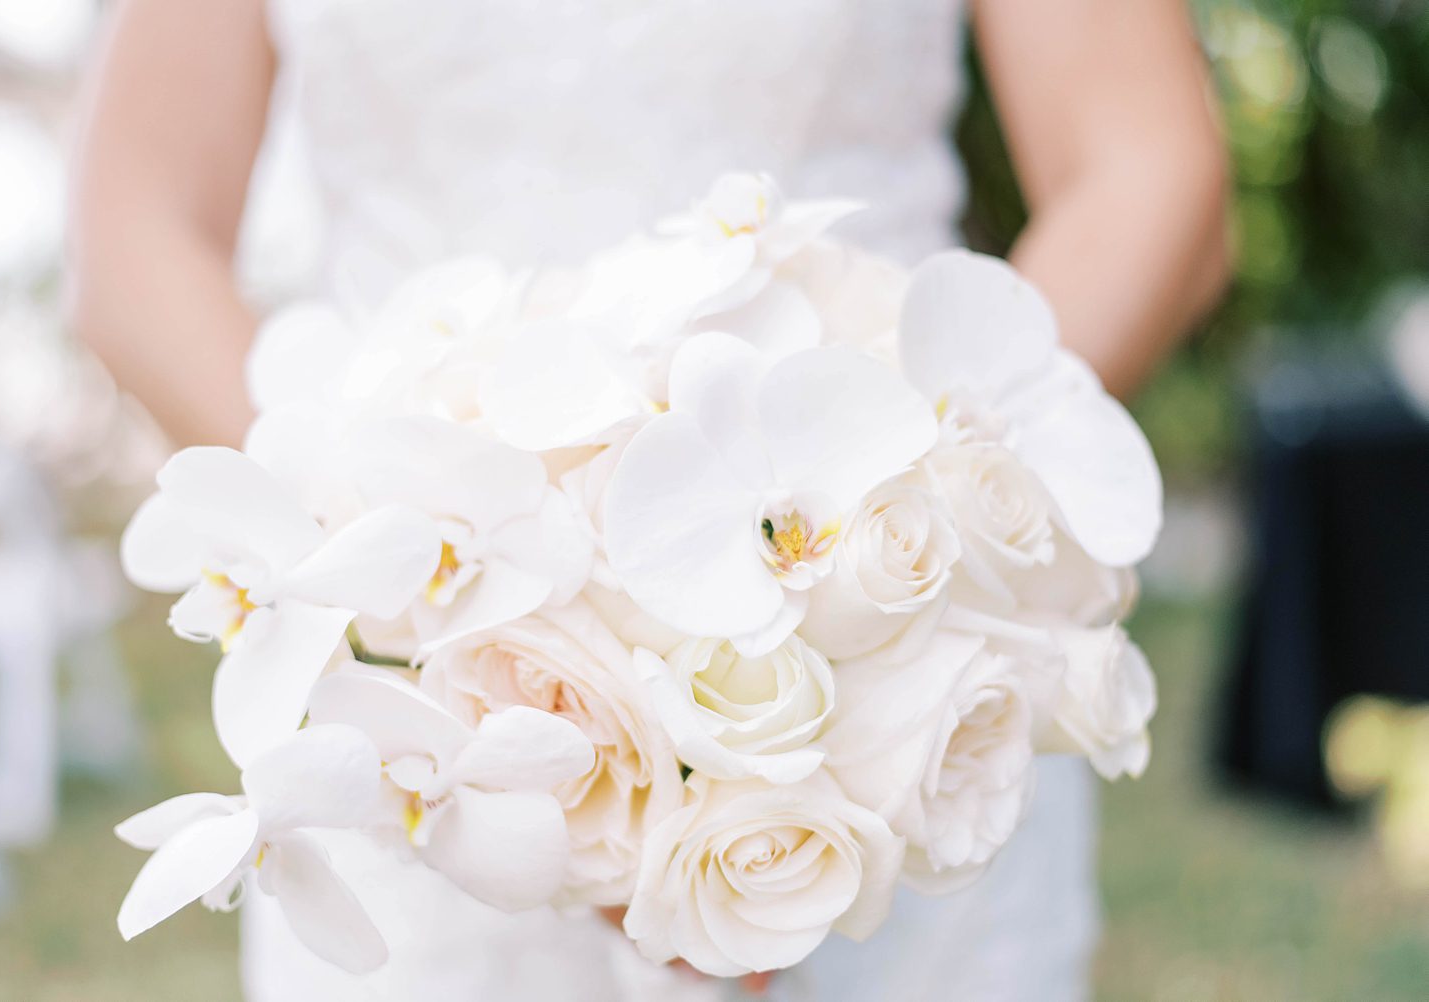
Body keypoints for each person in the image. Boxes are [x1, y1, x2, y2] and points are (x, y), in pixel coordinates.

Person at [70, 1, 1229, 999]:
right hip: (423, 736)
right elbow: (135, 228)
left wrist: (876, 571)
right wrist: (400, 587)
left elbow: (1148, 169)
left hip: (884, 702)